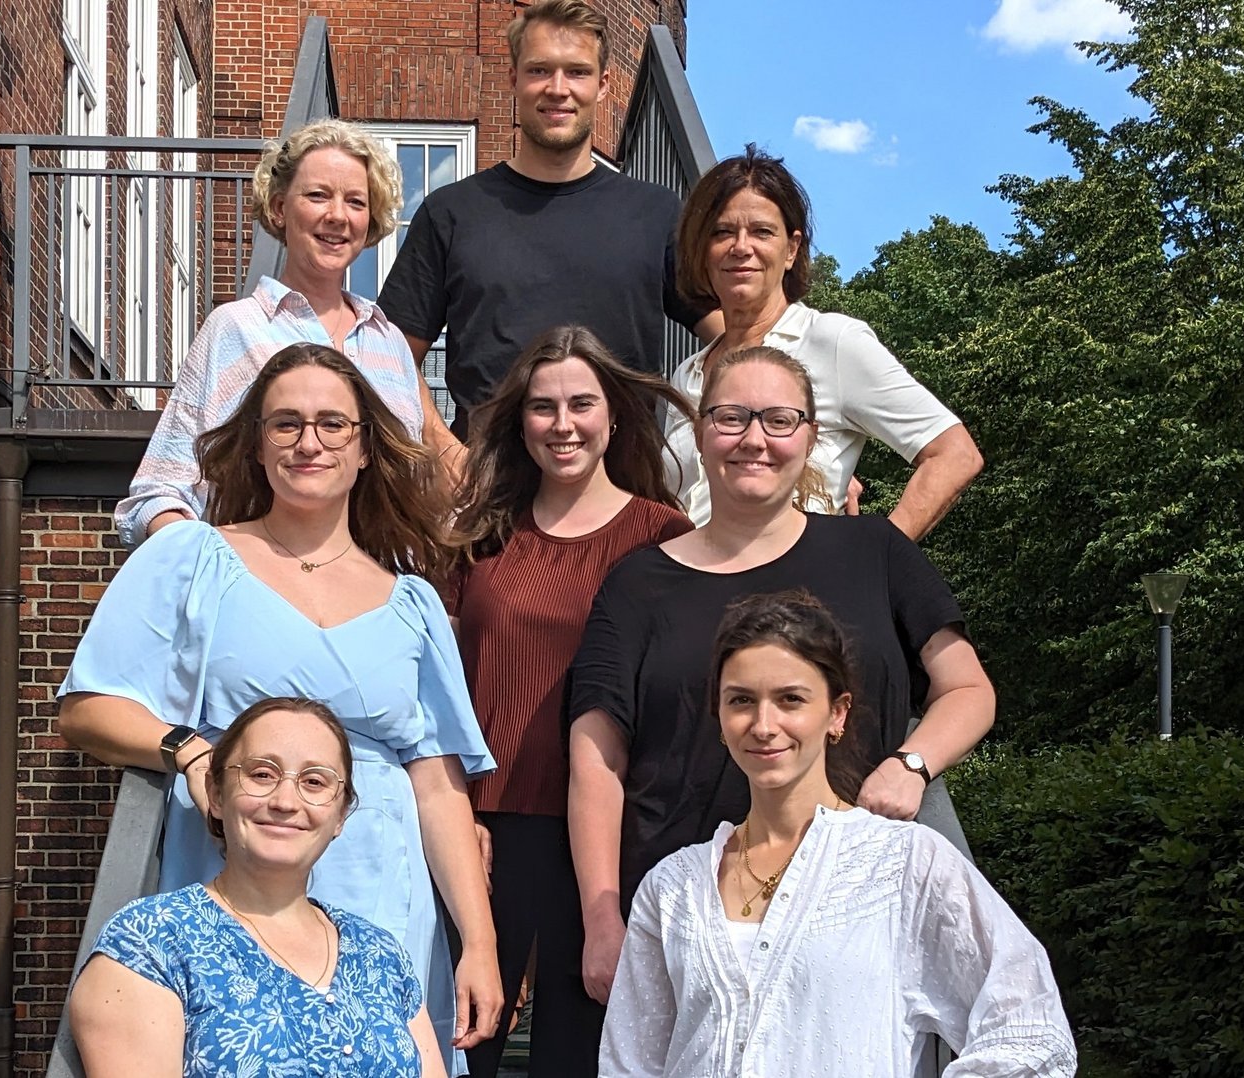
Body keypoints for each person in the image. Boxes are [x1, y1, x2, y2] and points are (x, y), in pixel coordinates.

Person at [61, 343, 501, 1072]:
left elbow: (437, 782)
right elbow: (86, 708)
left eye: (333, 424)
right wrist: (190, 750)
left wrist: (478, 942)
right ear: (257, 446)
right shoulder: (192, 558)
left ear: (366, 450)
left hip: (385, 888)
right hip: (241, 858)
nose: (309, 442)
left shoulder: (413, 602)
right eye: (286, 423)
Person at [566, 345, 996, 1005]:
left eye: (779, 419)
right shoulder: (638, 581)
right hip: (694, 921)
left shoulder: (875, 552)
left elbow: (968, 691)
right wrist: (602, 919)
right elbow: (597, 760)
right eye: (732, 418)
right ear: (702, 433)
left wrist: (911, 764)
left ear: (812, 437)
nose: (754, 440)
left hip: (856, 911)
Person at [598, 592, 1076, 1077]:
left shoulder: (904, 864)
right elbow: (629, 1063)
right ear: (719, 717)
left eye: (791, 699)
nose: (764, 725)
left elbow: (1030, 1030)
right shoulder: (672, 888)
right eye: (741, 700)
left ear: (837, 713)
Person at [447, 326, 695, 1077]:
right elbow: (442, 688)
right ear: (519, 422)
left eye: (581, 404)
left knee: (578, 1051)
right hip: (485, 833)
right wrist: (458, 811)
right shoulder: (481, 536)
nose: (563, 425)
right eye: (543, 406)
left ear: (613, 416)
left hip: (607, 839)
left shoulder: (663, 537)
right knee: (468, 1041)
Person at [376, 0, 717, 436]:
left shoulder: (656, 213)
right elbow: (391, 356)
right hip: (486, 486)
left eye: (577, 71)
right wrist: (443, 454)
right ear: (513, 78)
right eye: (539, 70)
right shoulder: (452, 213)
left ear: (604, 85)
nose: (558, 88)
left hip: (622, 486)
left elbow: (737, 334)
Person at [116, 118, 459, 547]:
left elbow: (414, 490)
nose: (337, 216)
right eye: (318, 196)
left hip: (373, 592)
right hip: (263, 591)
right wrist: (210, 569)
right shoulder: (236, 329)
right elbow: (159, 490)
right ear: (280, 208)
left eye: (355, 201)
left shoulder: (385, 340)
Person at [70, 696, 449, 1078]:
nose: (286, 801)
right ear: (216, 794)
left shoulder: (381, 955)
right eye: (262, 775)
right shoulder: (152, 941)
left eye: (314, 782)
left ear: (340, 815)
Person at [666, 145, 983, 537]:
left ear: (792, 249)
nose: (741, 247)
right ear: (702, 249)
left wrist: (876, 563)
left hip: (791, 592)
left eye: (762, 231)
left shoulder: (832, 342)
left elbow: (954, 453)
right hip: (688, 587)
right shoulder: (687, 375)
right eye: (722, 232)